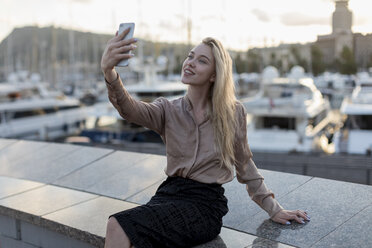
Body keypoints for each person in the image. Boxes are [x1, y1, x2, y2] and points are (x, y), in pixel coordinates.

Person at [101, 28, 310, 248]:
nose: (190, 63)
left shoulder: (233, 113)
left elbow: (245, 165)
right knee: (132, 237)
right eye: (190, 56)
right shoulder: (167, 109)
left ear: (214, 75)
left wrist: (274, 209)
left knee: (117, 224)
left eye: (201, 61)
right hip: (168, 194)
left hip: (204, 205)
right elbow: (129, 109)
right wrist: (109, 72)